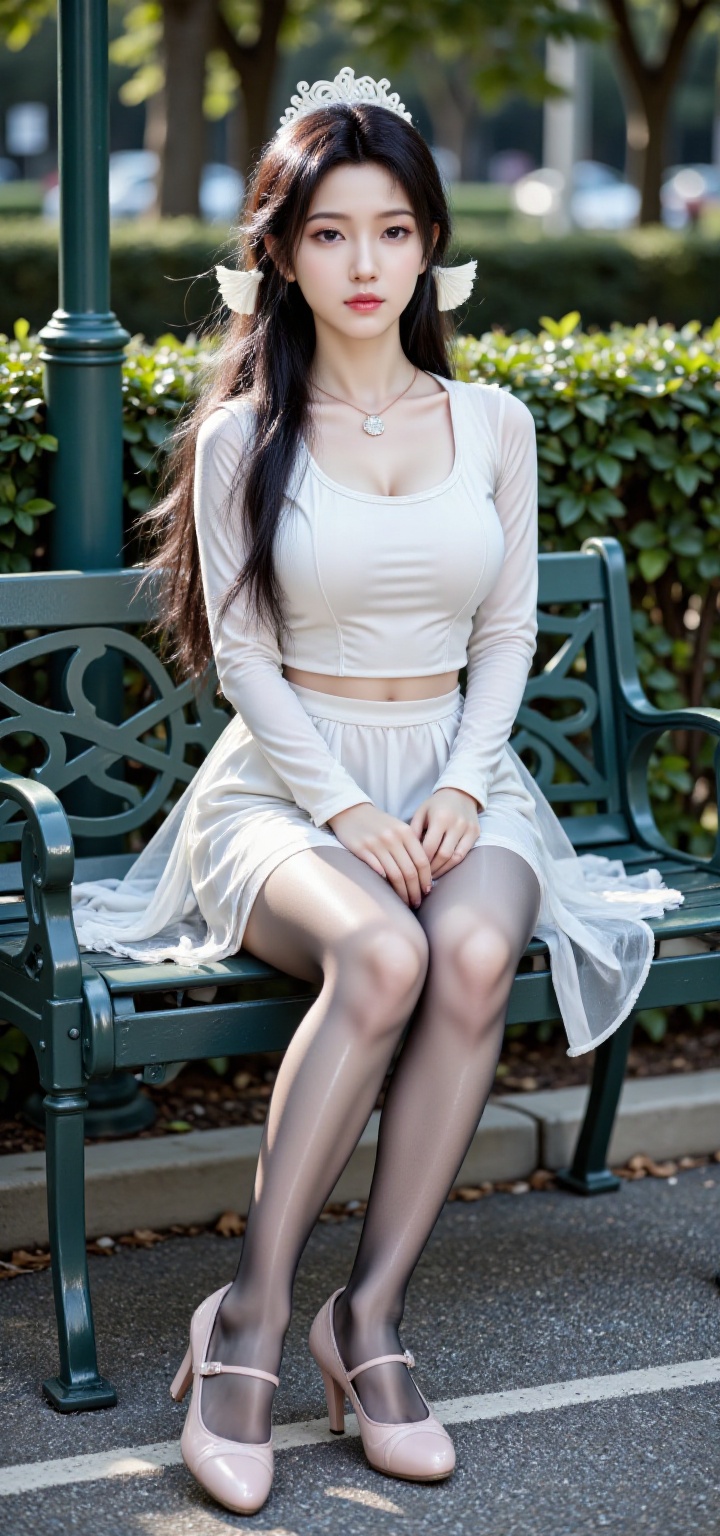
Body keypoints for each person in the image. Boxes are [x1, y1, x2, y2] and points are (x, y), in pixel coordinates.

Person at [70, 65, 684, 1516]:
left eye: (394, 230)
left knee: (470, 947)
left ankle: (374, 1321)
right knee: (385, 945)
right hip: (287, 792)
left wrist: (467, 790)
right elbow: (246, 660)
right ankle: (251, 1325)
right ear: (280, 252)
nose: (366, 264)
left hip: (466, 788)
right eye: (333, 232)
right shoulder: (243, 439)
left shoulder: (495, 425)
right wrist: (348, 810)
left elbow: (507, 633)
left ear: (431, 247)